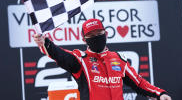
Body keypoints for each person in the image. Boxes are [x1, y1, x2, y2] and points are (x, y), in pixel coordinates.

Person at [33, 18, 171, 100]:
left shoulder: (119, 59)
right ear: (84, 39)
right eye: (91, 35)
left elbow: (139, 83)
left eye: (99, 33)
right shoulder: (80, 60)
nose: (96, 37)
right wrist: (45, 42)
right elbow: (60, 55)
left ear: (106, 34)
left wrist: (160, 94)